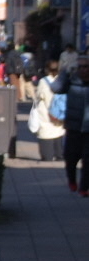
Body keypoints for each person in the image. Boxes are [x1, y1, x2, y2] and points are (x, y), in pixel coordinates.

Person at [52, 61, 89, 193]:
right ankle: (72, 180)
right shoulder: (71, 81)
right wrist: (64, 73)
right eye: (81, 67)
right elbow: (55, 88)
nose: (84, 70)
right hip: (73, 127)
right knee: (71, 158)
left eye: (86, 67)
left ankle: (84, 188)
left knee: (88, 159)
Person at [34, 61, 66, 163]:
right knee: (59, 131)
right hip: (60, 112)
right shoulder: (62, 81)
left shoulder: (44, 81)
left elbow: (39, 96)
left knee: (46, 132)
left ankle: (47, 156)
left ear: (47, 69)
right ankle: (59, 155)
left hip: (47, 113)